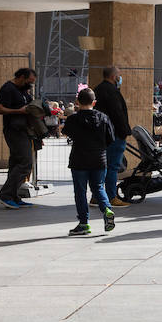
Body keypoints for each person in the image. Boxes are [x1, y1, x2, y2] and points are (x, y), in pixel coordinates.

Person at [62, 87, 116, 236]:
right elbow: (110, 139)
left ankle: (84, 223)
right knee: (98, 187)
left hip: (79, 160)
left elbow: (66, 132)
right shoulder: (104, 118)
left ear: (78, 102)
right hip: (99, 159)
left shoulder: (74, 118)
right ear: (94, 102)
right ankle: (107, 209)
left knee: (80, 191)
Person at [0, 67, 38, 209]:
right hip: (14, 131)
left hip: (24, 130)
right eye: (29, 81)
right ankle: (5, 195)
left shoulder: (23, 90)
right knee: (26, 162)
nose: (30, 84)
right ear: (21, 77)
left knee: (15, 163)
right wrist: (17, 111)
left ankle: (13, 196)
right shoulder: (8, 89)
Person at [94, 66, 132, 209]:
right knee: (112, 167)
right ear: (113, 77)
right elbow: (117, 114)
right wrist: (124, 131)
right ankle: (111, 196)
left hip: (102, 134)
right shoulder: (112, 91)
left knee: (102, 166)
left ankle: (96, 196)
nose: (120, 78)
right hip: (114, 134)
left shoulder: (98, 89)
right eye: (119, 75)